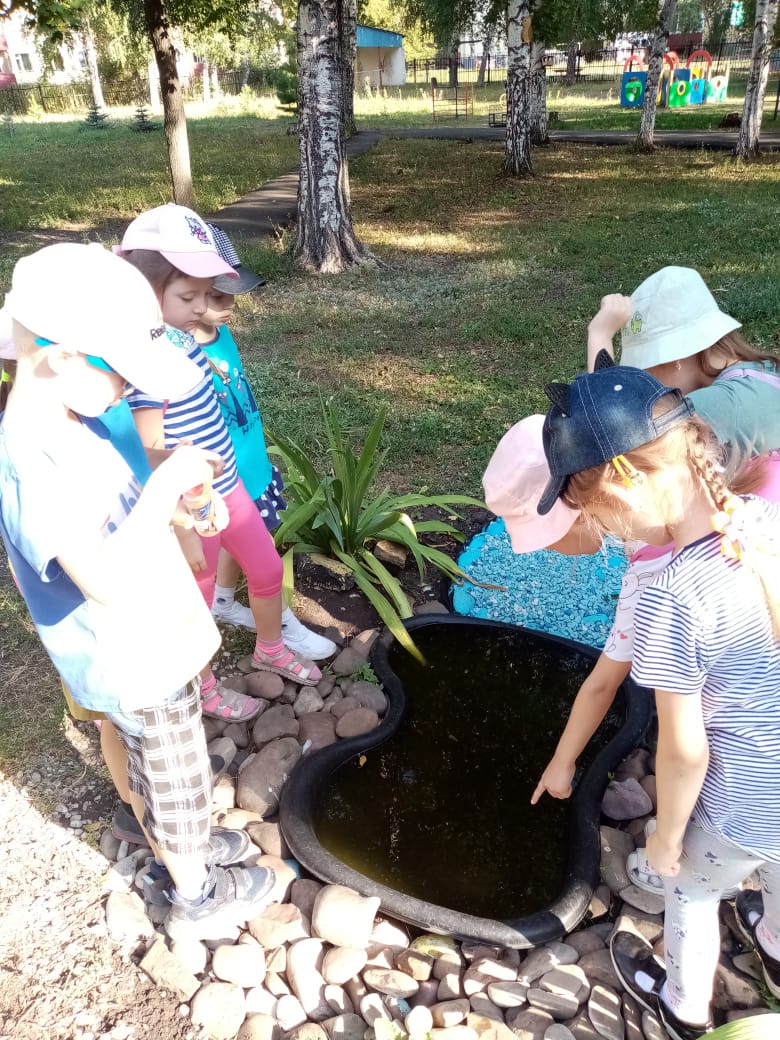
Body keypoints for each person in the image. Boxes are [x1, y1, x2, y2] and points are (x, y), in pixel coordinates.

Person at [0, 243, 276, 940]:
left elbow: (120, 509)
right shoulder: (32, 461)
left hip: (151, 635)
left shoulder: (73, 417)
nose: (130, 389)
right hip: (129, 655)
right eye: (123, 373)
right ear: (64, 358)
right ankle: (197, 893)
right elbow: (100, 577)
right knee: (178, 774)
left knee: (151, 758)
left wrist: (176, 506)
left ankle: (164, 832)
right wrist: (161, 490)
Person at [538, 354, 780, 1040]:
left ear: (626, 482)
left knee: (693, 892)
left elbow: (684, 749)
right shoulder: (763, 523)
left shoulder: (674, 595)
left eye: (598, 515)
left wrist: (667, 834)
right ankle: (774, 949)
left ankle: (682, 1009)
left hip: (743, 806)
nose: (610, 535)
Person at [116, 204, 324, 725]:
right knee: (200, 594)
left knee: (267, 567)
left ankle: (269, 648)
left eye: (204, 294)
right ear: (145, 291)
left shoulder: (182, 338)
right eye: (187, 297)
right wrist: (184, 485)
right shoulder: (145, 363)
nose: (200, 306)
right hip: (194, 503)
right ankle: (203, 686)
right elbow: (146, 450)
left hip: (228, 485)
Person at [482, 415, 673, 809]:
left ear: (580, 511)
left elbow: (603, 684)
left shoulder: (653, 579)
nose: (545, 549)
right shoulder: (666, 479)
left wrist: (562, 762)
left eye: (545, 539)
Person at [195, 222, 336, 660]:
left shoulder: (220, 333)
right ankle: (278, 627)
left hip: (249, 461)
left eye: (231, 294)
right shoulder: (180, 354)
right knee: (259, 558)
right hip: (221, 478)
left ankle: (223, 600)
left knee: (243, 539)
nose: (230, 305)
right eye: (217, 296)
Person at [587, 266, 780, 462]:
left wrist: (600, 334)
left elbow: (607, 443)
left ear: (673, 358)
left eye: (645, 370)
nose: (644, 385)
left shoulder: (710, 406)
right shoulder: (766, 370)